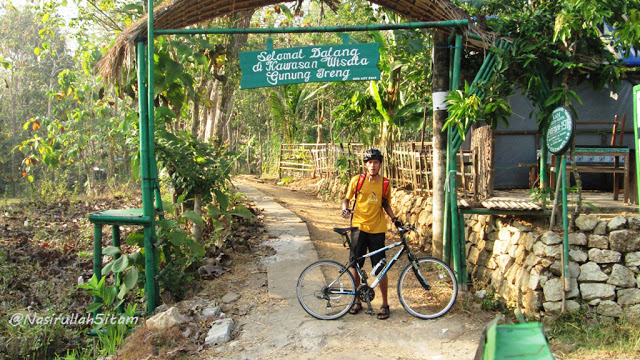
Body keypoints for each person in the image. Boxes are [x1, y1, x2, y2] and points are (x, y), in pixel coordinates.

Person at [341, 148, 402, 320]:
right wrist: (345, 210)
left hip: (377, 230)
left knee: (380, 267)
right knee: (356, 265)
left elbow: (385, 204)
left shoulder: (385, 183)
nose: (372, 165)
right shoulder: (357, 180)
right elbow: (347, 199)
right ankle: (356, 301)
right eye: (369, 162)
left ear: (380, 164)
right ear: (365, 165)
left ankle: (385, 304)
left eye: (376, 162)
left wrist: (395, 219)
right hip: (358, 228)